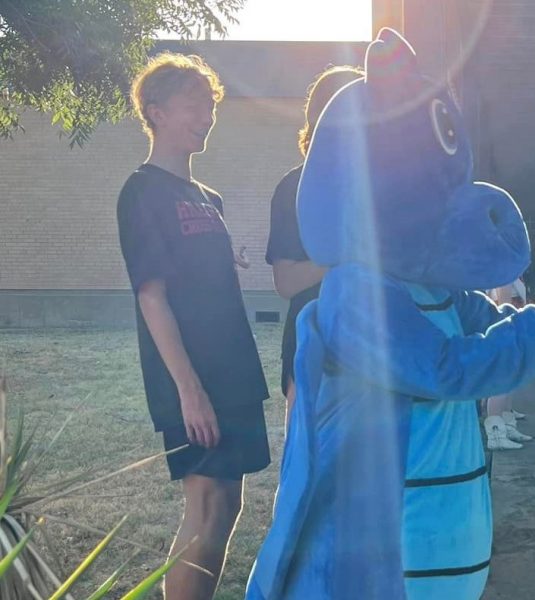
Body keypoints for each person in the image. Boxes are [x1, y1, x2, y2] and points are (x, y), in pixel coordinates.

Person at [116, 53, 270, 600]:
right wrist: (190, 391)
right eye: (192, 106)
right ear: (154, 112)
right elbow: (153, 297)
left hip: (234, 369)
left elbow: (197, 274)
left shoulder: (210, 198)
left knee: (229, 505)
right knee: (204, 509)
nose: (205, 117)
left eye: (210, 107)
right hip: (193, 378)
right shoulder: (141, 191)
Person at [266, 65, 364, 420]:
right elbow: (286, 282)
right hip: (314, 347)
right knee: (309, 464)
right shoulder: (294, 188)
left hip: (374, 345)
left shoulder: (382, 186)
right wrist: (347, 255)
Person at [485, 280, 534, 450]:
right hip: (506, 328)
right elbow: (504, 308)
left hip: (508, 326)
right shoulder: (504, 273)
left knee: (510, 379)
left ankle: (507, 425)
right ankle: (496, 434)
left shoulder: (510, 273)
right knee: (503, 380)